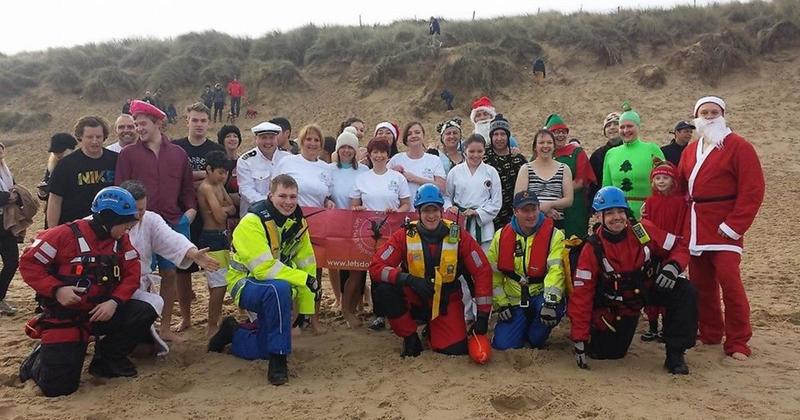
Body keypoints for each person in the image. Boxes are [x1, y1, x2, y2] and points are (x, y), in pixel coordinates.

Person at [18, 187, 153, 397]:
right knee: (59, 388)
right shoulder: (62, 235)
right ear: (109, 218)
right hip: (66, 317)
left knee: (144, 311)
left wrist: (114, 301)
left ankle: (107, 360)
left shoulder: (120, 241)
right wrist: (57, 290)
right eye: (125, 223)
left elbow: (131, 274)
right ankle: (35, 362)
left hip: (100, 311)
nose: (128, 228)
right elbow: (29, 263)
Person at [568, 186, 697, 374]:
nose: (617, 217)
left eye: (620, 211)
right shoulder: (592, 248)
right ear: (598, 216)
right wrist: (579, 338)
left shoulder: (641, 231)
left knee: (685, 290)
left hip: (647, 289)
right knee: (607, 353)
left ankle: (675, 355)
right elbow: (582, 295)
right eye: (609, 213)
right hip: (618, 306)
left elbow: (679, 246)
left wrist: (673, 266)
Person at [207, 175, 319, 386]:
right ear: (270, 195)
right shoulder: (252, 222)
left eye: (293, 197)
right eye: (282, 196)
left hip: (277, 287)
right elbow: (263, 269)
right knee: (279, 288)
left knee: (262, 349)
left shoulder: (298, 222)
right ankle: (279, 359)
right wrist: (304, 279)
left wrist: (305, 309)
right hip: (245, 284)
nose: (288, 202)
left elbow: (307, 263)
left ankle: (234, 332)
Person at [677, 96, 765, 360]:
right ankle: (710, 331)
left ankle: (738, 340)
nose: (709, 116)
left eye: (714, 112)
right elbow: (680, 187)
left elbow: (753, 189)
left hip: (724, 226)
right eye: (704, 112)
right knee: (701, 284)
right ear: (696, 117)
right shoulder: (691, 150)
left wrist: (734, 225)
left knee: (730, 282)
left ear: (723, 115)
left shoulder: (739, 146)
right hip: (696, 225)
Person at [369, 184, 492, 357]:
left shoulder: (458, 235)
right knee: (383, 288)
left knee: (455, 350)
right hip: (414, 295)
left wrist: (483, 316)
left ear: (441, 211)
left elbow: (482, 271)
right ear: (418, 213)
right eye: (426, 210)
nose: (431, 215)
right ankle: (410, 336)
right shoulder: (404, 235)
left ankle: (432, 331)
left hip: (446, 299)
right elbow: (376, 267)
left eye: (435, 210)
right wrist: (408, 280)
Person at [115, 100, 196, 342]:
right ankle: (145, 328)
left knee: (170, 274)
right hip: (139, 223)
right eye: (136, 124)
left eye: (143, 124)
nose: (138, 128)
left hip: (172, 221)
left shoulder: (178, 154)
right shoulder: (128, 154)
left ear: (158, 123)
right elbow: (120, 188)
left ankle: (166, 327)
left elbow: (187, 188)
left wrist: (190, 211)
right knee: (141, 275)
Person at [120, 180, 219, 357]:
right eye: (136, 210)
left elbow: (171, 239)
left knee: (144, 350)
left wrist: (193, 253)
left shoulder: (150, 220)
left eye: (142, 209)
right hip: (108, 290)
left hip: (136, 290)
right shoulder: (102, 220)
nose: (139, 215)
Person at [172, 102, 225, 334]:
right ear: (187, 121)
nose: (199, 124)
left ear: (209, 122)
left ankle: (216, 316)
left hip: (210, 219)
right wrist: (203, 178)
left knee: (214, 268)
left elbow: (220, 181)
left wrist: (194, 179)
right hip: (184, 214)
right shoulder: (176, 148)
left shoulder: (216, 149)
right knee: (182, 270)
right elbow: (176, 179)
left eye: (203, 120)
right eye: (195, 120)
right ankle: (185, 317)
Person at [489, 189, 566, 350]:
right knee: (503, 345)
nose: (531, 215)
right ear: (515, 212)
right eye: (525, 210)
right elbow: (493, 275)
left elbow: (556, 271)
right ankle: (519, 329)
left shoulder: (555, 235)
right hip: (514, 300)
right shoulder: (500, 236)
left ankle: (533, 336)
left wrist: (550, 302)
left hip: (540, 296)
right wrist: (501, 304)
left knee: (537, 338)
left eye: (534, 209)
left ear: (539, 208)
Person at [351, 138, 412, 331]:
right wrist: (358, 209)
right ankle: (379, 315)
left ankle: (398, 312)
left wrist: (397, 212)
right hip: (370, 235)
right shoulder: (362, 178)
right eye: (375, 152)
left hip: (393, 233)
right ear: (369, 155)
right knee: (375, 273)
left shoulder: (398, 178)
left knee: (394, 271)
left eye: (382, 152)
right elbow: (354, 205)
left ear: (388, 155)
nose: (379, 156)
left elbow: (406, 204)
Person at [639, 160, 687, 342]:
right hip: (653, 250)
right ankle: (652, 326)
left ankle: (666, 327)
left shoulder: (680, 202)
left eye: (665, 178)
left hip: (672, 250)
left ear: (673, 180)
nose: (661, 181)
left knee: (668, 288)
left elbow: (682, 225)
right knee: (650, 289)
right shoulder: (650, 202)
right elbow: (645, 226)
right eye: (657, 178)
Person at [328, 128, 368, 326]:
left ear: (355, 150)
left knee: (358, 269)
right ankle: (345, 307)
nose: (346, 151)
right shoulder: (329, 170)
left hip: (359, 226)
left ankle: (354, 307)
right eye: (343, 147)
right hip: (336, 225)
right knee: (341, 267)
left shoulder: (364, 170)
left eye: (350, 147)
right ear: (337, 149)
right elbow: (325, 193)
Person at [47, 116, 117, 228]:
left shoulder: (115, 160)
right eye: (89, 137)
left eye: (98, 137)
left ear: (104, 137)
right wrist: (52, 230)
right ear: (80, 137)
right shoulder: (65, 165)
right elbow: (55, 200)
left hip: (108, 226)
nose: (94, 141)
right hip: (75, 228)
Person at [196, 151, 237, 336]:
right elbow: (220, 216)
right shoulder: (206, 188)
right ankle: (212, 325)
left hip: (222, 235)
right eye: (220, 172)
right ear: (209, 169)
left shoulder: (218, 185)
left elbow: (232, 208)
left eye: (226, 173)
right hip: (211, 237)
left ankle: (216, 320)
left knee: (218, 283)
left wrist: (223, 210)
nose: (223, 176)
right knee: (219, 285)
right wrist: (224, 209)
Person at [602, 105, 665, 219]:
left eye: (630, 126)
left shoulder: (652, 149)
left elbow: (665, 182)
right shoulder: (611, 153)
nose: (626, 130)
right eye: (622, 127)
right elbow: (606, 187)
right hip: (619, 214)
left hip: (648, 211)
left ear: (638, 127)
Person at [444, 134, 501, 252]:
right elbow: (446, 196)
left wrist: (477, 212)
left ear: (484, 151)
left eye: (480, 151)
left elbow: (496, 201)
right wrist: (450, 207)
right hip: (459, 221)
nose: (475, 155)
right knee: (457, 256)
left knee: (482, 258)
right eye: (471, 151)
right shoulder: (455, 172)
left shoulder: (491, 172)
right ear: (465, 151)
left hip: (483, 226)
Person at [544, 113, 596, 239]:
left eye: (563, 132)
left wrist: (555, 195)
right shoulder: (543, 153)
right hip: (547, 209)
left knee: (574, 242)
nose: (560, 135)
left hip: (574, 208)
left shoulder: (577, 152)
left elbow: (581, 180)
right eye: (556, 132)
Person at [514, 129, 574, 228]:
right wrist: (541, 209)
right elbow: (518, 198)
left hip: (556, 223)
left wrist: (549, 205)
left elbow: (569, 200)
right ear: (535, 147)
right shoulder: (526, 169)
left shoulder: (564, 169)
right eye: (541, 143)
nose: (545, 146)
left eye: (549, 142)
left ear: (554, 146)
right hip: (530, 223)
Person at [236, 121, 289, 218]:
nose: (268, 142)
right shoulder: (245, 161)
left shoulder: (288, 158)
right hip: (254, 216)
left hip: (282, 214)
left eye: (271, 137)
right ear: (256, 139)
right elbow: (246, 191)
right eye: (263, 137)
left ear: (276, 139)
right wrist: (272, 203)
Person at [274, 124, 334, 209]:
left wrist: (327, 201)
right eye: (308, 139)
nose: (312, 143)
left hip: (317, 215)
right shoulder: (287, 162)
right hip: (290, 213)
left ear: (321, 144)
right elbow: (273, 189)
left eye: (316, 140)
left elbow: (326, 195)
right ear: (302, 142)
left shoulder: (326, 168)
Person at [483, 115, 527, 230]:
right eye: (495, 134)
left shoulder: (517, 159)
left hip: (512, 212)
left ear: (508, 136)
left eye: (503, 134)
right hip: (488, 213)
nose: (499, 138)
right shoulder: (483, 157)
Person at [389, 121, 446, 198]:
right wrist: (392, 172)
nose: (414, 136)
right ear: (406, 139)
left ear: (423, 136)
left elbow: (441, 188)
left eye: (417, 132)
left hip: (427, 205)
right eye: (409, 134)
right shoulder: (396, 159)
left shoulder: (434, 160)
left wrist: (415, 179)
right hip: (402, 205)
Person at [0, 143, 23, 315]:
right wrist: (8, 196)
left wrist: (15, 195)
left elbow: (15, 190)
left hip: (5, 223)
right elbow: (8, 194)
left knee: (12, 262)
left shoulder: (5, 171)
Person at [37, 133, 77, 228]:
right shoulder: (52, 166)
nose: (57, 154)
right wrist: (43, 192)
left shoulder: (78, 165)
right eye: (55, 152)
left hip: (72, 214)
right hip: (53, 214)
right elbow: (48, 184)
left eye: (61, 151)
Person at [589, 112, 622, 202]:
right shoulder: (597, 155)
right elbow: (593, 185)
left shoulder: (631, 151)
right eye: (608, 125)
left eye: (616, 124)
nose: (612, 127)